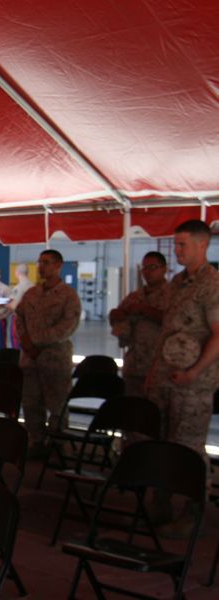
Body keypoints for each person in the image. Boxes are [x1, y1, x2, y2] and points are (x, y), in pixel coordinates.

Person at [147, 220, 219, 535]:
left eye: (182, 245)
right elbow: (166, 332)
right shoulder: (178, 283)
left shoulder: (212, 285)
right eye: (175, 244)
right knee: (162, 441)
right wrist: (153, 371)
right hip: (166, 376)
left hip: (194, 382)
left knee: (189, 446)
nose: (176, 250)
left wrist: (194, 372)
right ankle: (160, 504)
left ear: (202, 245)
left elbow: (218, 335)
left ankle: (194, 510)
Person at [15, 250, 81, 457]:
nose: (42, 267)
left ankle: (57, 443)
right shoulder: (32, 294)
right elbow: (20, 318)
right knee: (31, 402)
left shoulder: (68, 295)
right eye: (40, 262)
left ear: (58, 266)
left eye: (47, 262)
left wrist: (36, 341)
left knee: (57, 404)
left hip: (55, 360)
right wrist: (25, 341)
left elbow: (68, 326)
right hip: (31, 360)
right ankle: (36, 441)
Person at [109, 251, 170, 397]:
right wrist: (115, 315)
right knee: (133, 410)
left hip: (160, 366)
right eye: (144, 268)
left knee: (156, 412)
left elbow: (174, 321)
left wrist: (145, 310)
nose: (147, 272)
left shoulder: (174, 294)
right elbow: (117, 318)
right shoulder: (135, 296)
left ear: (164, 269)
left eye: (152, 267)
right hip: (134, 365)